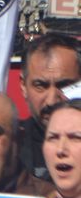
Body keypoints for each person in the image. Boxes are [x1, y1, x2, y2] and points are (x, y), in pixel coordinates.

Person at [19, 33, 81, 181]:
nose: (52, 101)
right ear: (23, 86)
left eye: (64, 85)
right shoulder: (8, 148)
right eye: (41, 86)